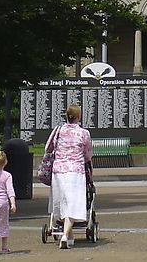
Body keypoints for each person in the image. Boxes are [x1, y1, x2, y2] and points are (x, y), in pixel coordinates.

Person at [42, 103, 92, 249]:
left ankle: (69, 237)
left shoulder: (58, 130)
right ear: (78, 116)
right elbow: (88, 155)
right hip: (75, 171)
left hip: (58, 171)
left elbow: (48, 148)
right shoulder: (84, 133)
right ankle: (65, 235)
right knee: (73, 204)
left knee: (62, 202)